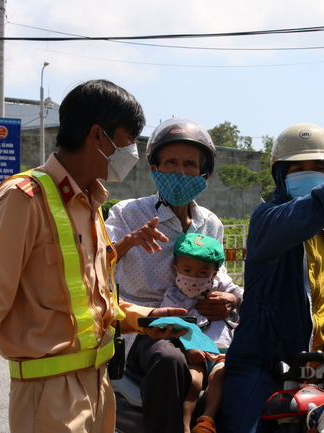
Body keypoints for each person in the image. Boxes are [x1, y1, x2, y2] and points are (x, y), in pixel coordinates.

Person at [0, 79, 187, 433]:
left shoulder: (90, 202)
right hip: (49, 396)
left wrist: (144, 318)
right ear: (97, 136)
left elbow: (92, 299)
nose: (131, 152)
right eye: (127, 140)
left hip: (99, 386)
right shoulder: (24, 198)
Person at [220, 123, 324, 433]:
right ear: (280, 173)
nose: (309, 173)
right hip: (263, 364)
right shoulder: (267, 218)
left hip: (320, 366)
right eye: (297, 167)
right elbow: (293, 220)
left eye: (319, 167)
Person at [105, 117, 241, 433]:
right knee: (168, 358)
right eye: (170, 162)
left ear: (203, 175)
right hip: (141, 329)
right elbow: (96, 262)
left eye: (189, 164)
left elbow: (222, 278)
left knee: (250, 359)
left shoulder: (211, 224)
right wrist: (129, 241)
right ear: (154, 168)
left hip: (200, 328)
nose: (179, 172)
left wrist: (230, 300)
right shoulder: (127, 213)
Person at [160, 233, 242, 433]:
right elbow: (171, 325)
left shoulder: (221, 289)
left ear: (214, 273)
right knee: (193, 381)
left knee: (219, 377)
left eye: (202, 272)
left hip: (222, 350)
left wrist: (232, 299)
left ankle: (207, 420)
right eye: (187, 270)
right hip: (195, 351)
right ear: (175, 269)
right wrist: (188, 347)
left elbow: (241, 297)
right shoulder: (173, 296)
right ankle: (185, 425)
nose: (194, 278)